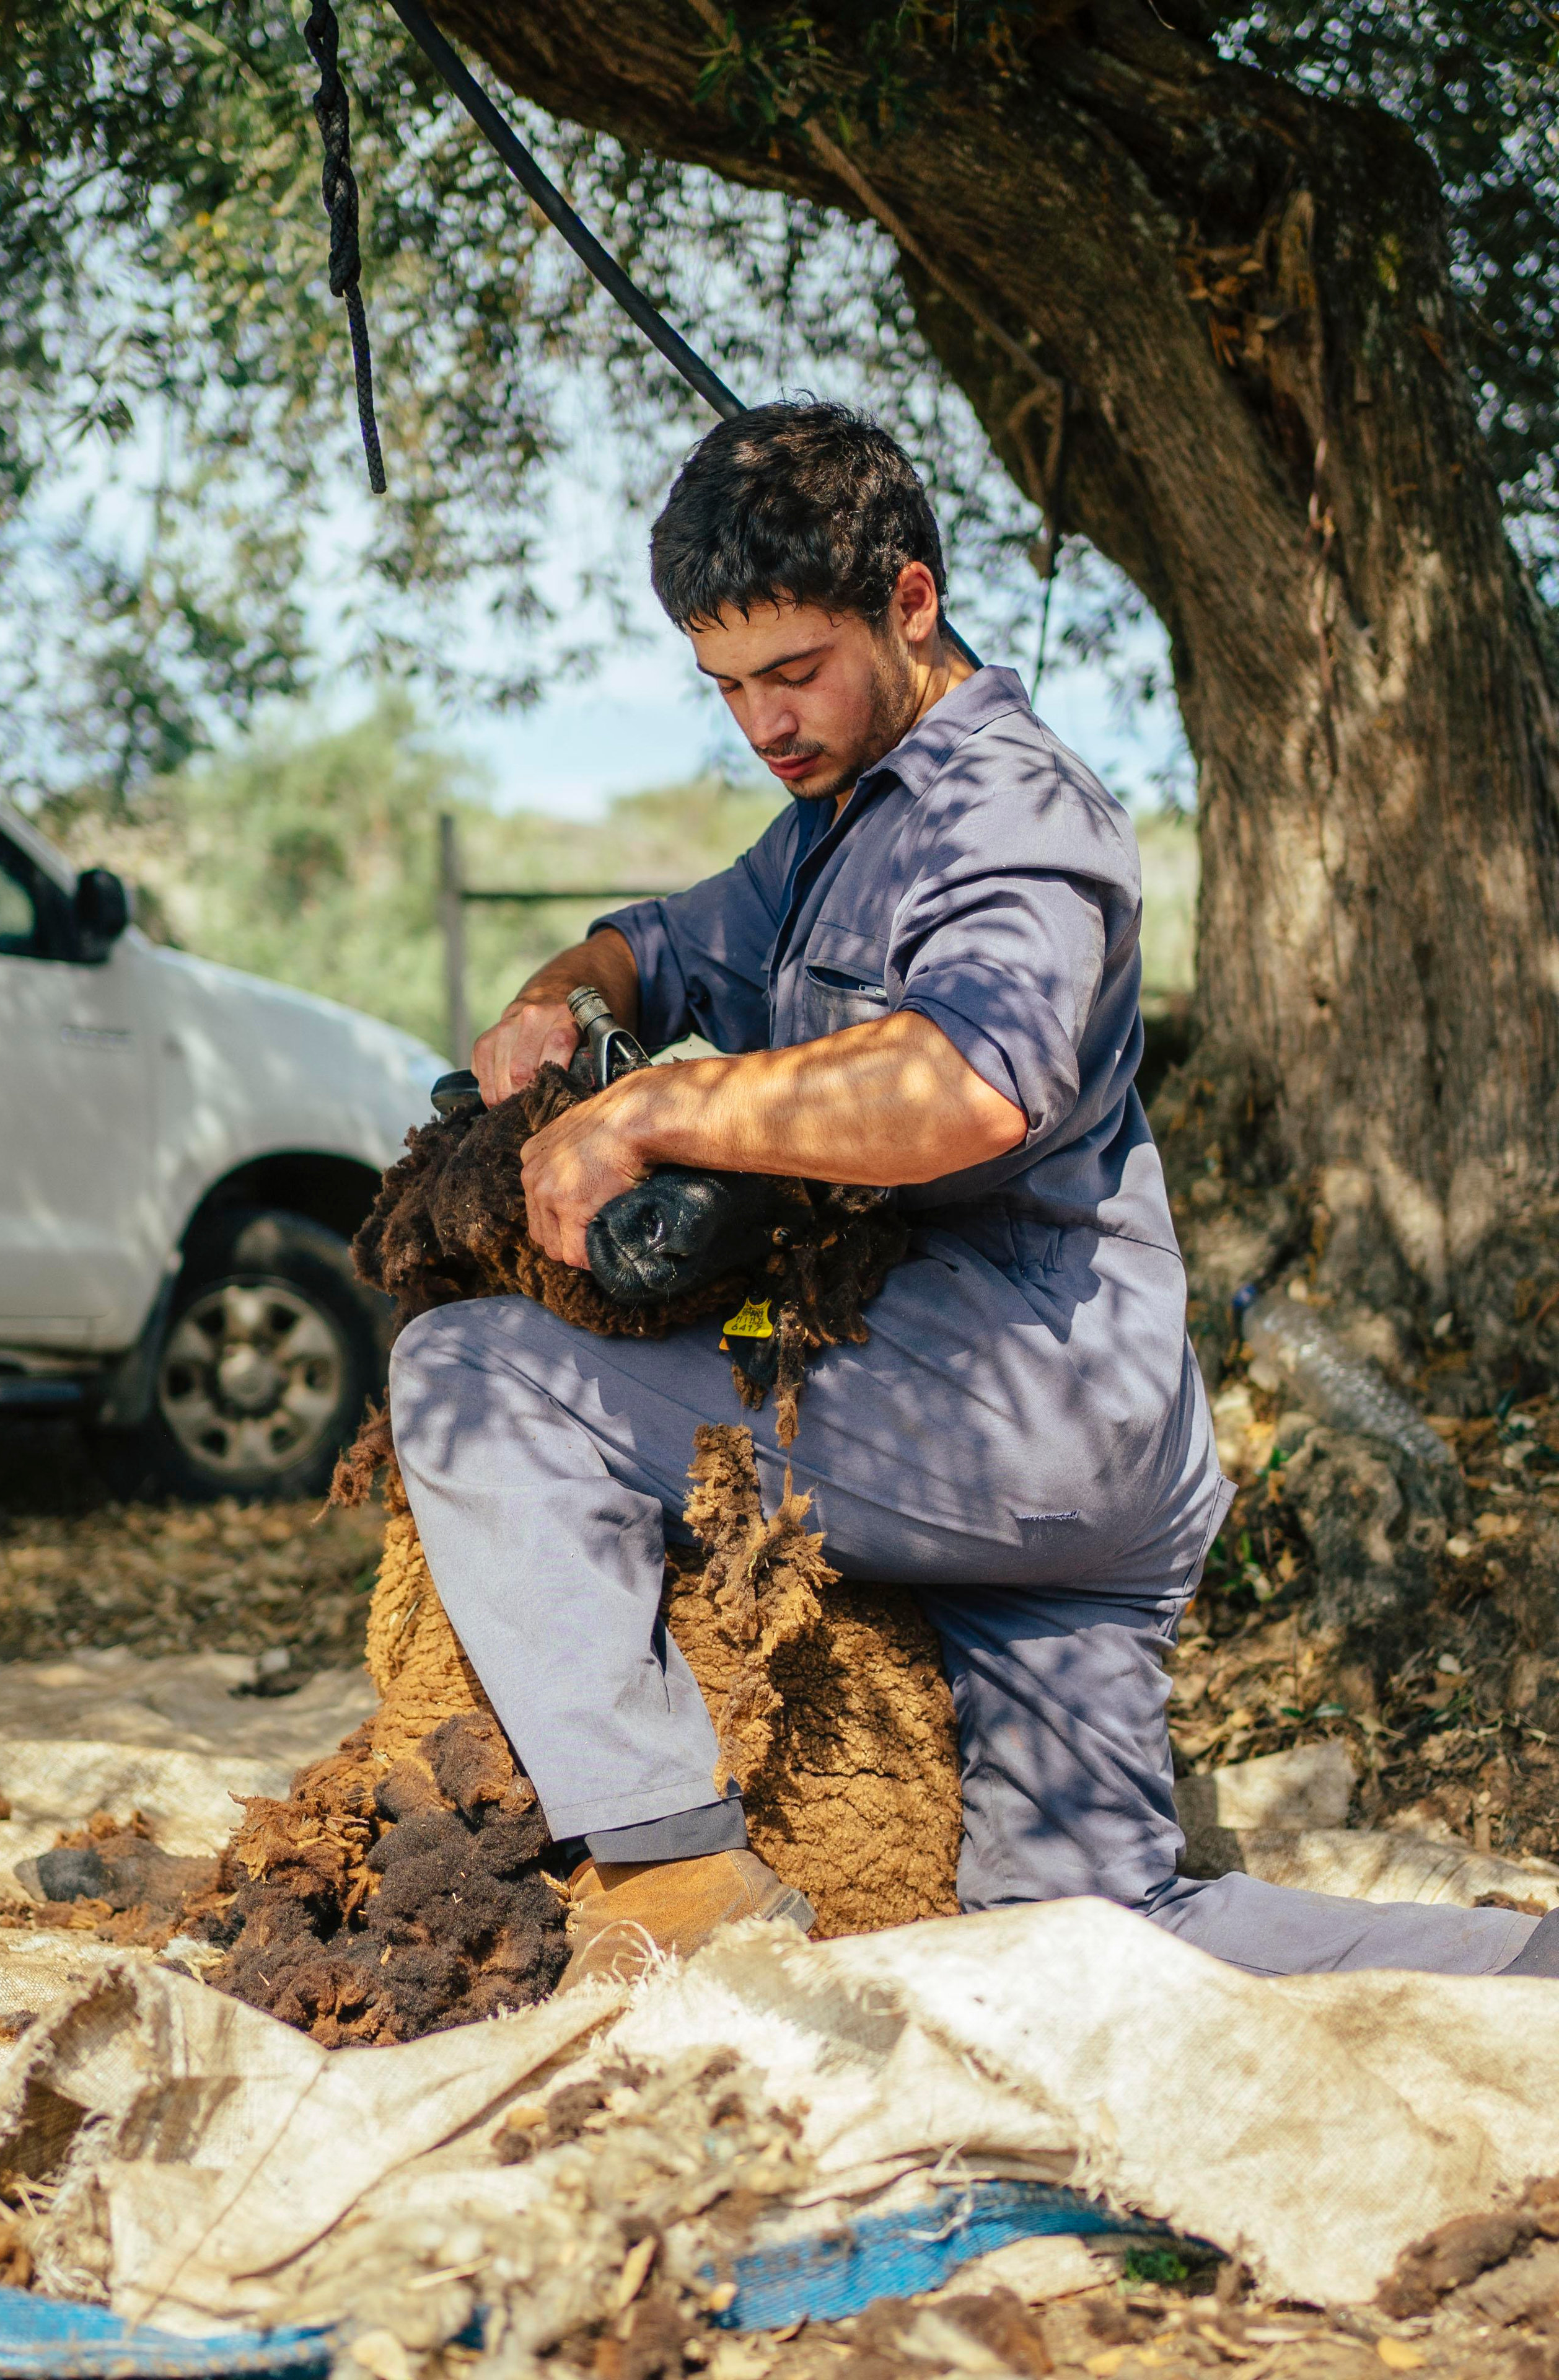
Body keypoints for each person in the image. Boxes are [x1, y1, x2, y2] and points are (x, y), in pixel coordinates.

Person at [390, 399, 1555, 1987]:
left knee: (474, 1377)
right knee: (1093, 1934)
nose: (761, 724)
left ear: (911, 600)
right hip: (1066, 1455)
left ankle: (673, 1882)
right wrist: (559, 995)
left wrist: (662, 1104)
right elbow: (653, 944)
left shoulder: (1010, 812)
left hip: (1018, 1403)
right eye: (724, 684)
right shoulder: (828, 829)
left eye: (793, 671)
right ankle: (1526, 1978)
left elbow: (964, 1084)